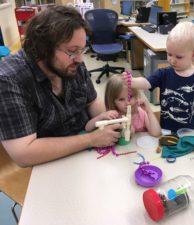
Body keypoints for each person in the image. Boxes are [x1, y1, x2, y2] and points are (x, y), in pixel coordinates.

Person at [0, 6, 123, 167]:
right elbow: (23, 154)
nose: (80, 59)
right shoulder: (9, 80)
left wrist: (109, 122)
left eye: (82, 49)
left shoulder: (73, 63)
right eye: (72, 51)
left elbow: (92, 102)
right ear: (43, 48)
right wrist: (91, 139)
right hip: (47, 163)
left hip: (87, 154)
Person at [123, 21, 194, 134]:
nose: (172, 60)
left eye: (179, 57)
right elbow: (147, 82)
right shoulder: (163, 74)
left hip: (192, 128)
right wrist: (133, 81)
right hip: (167, 128)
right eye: (169, 54)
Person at [85, 74, 161, 137]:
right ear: (113, 101)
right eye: (121, 99)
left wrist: (148, 111)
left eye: (131, 97)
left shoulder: (140, 113)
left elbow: (156, 133)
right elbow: (87, 128)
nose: (128, 103)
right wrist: (101, 116)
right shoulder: (112, 116)